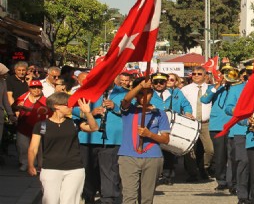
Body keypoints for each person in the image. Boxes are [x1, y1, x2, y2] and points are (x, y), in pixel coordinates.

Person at [27, 93, 98, 204]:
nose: (71, 107)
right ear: (57, 106)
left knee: (70, 201)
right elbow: (33, 148)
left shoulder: (74, 123)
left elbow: (94, 128)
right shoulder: (41, 125)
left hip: (75, 169)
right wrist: (31, 164)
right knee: (51, 201)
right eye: (67, 105)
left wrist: (87, 113)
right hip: (50, 169)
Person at [117, 76, 171, 204]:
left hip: (152, 156)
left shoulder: (159, 113)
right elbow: (125, 100)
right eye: (140, 94)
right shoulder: (129, 110)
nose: (144, 96)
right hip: (128, 156)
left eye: (147, 93)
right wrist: (141, 86)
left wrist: (149, 135)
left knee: (147, 197)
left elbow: (165, 139)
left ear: (152, 94)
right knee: (129, 196)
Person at [77, 73, 128, 204]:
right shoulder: (87, 91)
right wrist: (89, 113)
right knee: (88, 172)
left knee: (110, 173)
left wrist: (116, 107)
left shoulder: (124, 93)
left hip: (112, 140)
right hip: (88, 138)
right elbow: (70, 109)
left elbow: (132, 111)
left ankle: (108, 200)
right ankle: (88, 198)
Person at [150, 72, 192, 185]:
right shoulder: (147, 94)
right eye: (156, 82)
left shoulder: (176, 92)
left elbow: (186, 104)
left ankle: (167, 176)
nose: (159, 84)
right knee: (155, 152)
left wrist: (188, 112)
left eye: (161, 82)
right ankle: (153, 175)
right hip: (153, 127)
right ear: (152, 83)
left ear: (166, 82)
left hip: (171, 127)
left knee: (169, 152)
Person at [201, 63, 236, 192]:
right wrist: (217, 85)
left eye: (229, 72)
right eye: (224, 72)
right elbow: (204, 100)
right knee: (220, 155)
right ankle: (221, 180)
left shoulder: (237, 87)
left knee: (233, 155)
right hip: (217, 126)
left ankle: (233, 182)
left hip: (233, 125)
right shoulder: (213, 88)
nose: (226, 75)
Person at [180, 66, 214, 182]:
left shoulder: (211, 88)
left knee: (210, 149)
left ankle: (203, 168)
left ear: (205, 76)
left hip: (206, 123)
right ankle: (192, 173)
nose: (195, 76)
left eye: (199, 74)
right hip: (190, 122)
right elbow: (181, 105)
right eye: (193, 74)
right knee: (189, 150)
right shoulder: (185, 89)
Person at [225, 64, 253, 204]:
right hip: (241, 131)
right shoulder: (237, 88)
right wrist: (239, 111)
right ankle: (242, 195)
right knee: (244, 162)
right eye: (251, 72)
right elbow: (228, 108)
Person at [14, 79, 50, 171]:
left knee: (40, 147)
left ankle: (40, 165)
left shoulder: (46, 100)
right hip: (24, 126)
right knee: (23, 146)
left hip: (40, 126)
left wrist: (28, 109)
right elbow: (15, 106)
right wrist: (18, 108)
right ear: (29, 88)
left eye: (38, 88)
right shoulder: (23, 97)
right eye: (33, 88)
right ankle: (25, 163)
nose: (36, 90)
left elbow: (46, 111)